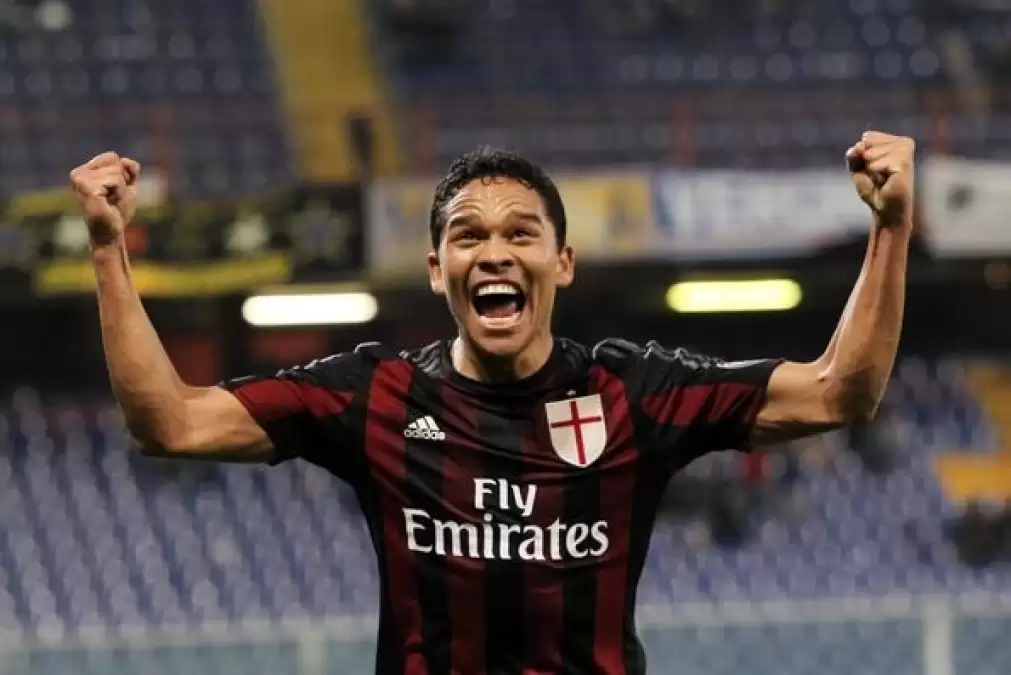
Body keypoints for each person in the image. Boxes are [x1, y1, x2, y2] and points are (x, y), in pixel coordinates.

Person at [68, 130, 914, 675]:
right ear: (438, 271)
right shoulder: (376, 394)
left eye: (520, 233)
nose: (495, 251)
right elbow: (169, 422)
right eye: (467, 235)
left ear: (562, 262)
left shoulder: (633, 391)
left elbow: (841, 390)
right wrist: (109, 248)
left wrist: (890, 227)